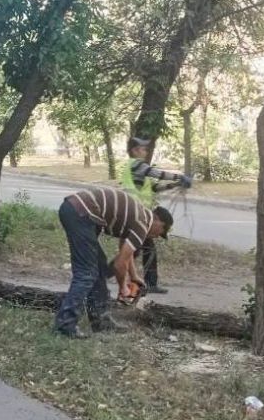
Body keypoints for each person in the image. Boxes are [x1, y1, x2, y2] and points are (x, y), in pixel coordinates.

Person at [54, 187, 173, 338]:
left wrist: (134, 276)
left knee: (99, 267)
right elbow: (119, 264)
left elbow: (125, 252)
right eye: (161, 231)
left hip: (77, 209)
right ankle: (65, 325)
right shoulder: (143, 223)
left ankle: (101, 321)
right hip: (81, 213)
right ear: (157, 220)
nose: (157, 236)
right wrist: (123, 288)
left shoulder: (138, 215)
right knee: (87, 273)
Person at [119, 136, 191, 294]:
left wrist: (176, 184)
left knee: (147, 249)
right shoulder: (136, 165)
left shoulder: (139, 171)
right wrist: (179, 176)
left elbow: (155, 187)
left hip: (141, 215)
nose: (145, 152)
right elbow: (156, 174)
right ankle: (110, 275)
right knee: (133, 251)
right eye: (143, 149)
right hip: (135, 215)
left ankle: (150, 283)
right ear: (134, 151)